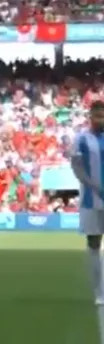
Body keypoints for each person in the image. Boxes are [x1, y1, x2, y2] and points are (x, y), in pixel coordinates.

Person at [70, 101, 104, 305]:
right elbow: (77, 167)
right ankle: (99, 291)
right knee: (94, 243)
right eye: (98, 116)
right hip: (92, 199)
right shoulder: (81, 139)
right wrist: (94, 185)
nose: (101, 120)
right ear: (91, 117)